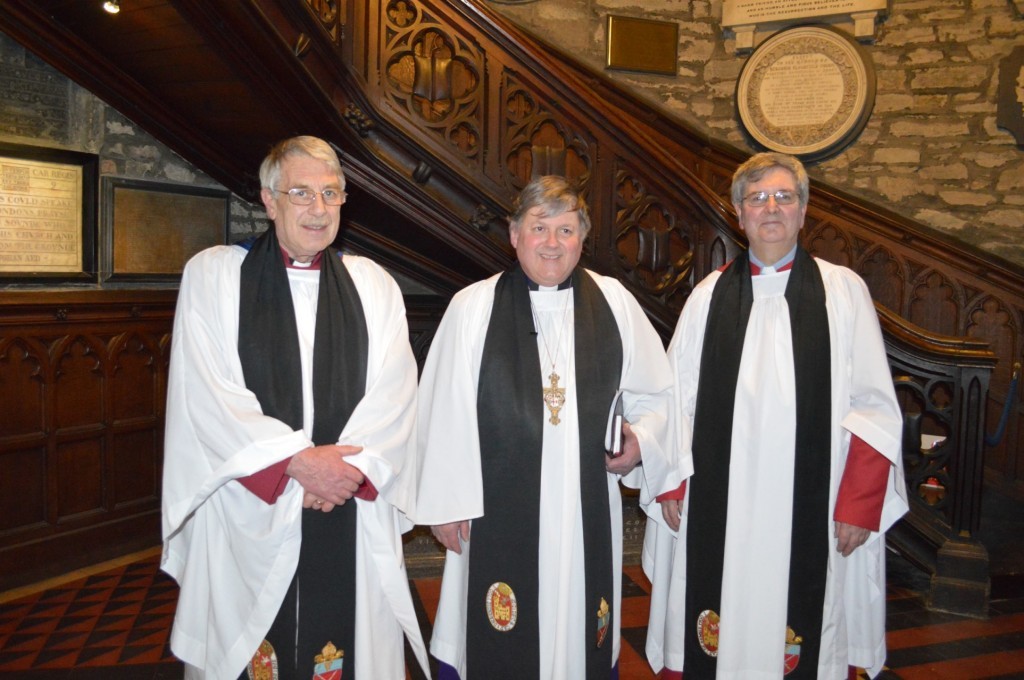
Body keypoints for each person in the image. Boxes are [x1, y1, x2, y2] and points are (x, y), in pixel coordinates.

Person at [161, 135, 428, 680]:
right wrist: (298, 463)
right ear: (268, 199)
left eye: (332, 194)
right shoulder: (214, 276)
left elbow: (396, 395)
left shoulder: (373, 285)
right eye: (301, 193)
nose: (318, 208)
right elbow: (207, 394)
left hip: (348, 510)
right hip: (250, 510)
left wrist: (347, 472)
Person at [644, 152, 908, 679]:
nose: (771, 208)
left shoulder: (842, 292)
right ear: (739, 215)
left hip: (817, 502)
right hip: (722, 505)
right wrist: (670, 482)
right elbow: (673, 399)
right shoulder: (707, 296)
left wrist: (859, 503)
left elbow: (875, 406)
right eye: (757, 197)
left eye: (785, 196)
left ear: (804, 211)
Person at [415, 175, 687, 679]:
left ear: (582, 240)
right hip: (493, 508)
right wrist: (446, 504)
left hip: (585, 508)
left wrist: (641, 442)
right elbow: (441, 410)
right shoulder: (472, 307)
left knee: (581, 627)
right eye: (540, 228)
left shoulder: (614, 302)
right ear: (514, 234)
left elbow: (658, 394)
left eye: (566, 230)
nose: (552, 243)